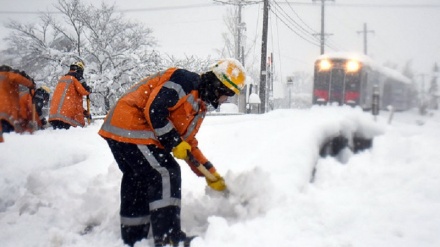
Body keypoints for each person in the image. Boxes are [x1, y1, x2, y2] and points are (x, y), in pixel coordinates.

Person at [98, 58, 246, 246]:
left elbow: (188, 144)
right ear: (218, 85)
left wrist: (209, 172)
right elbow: (155, 109)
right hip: (131, 124)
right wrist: (174, 141)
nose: (226, 99)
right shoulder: (184, 80)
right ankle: (169, 237)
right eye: (227, 94)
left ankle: (134, 237)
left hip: (122, 130)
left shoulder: (198, 106)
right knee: (166, 171)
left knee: (138, 179)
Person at [49, 61, 91, 129]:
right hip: (66, 119)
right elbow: (85, 90)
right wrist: (89, 89)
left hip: (54, 116)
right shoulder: (76, 78)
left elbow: (70, 102)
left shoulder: (63, 79)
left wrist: (85, 113)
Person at [0, 65, 36, 141]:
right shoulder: (9, 75)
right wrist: (31, 84)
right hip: (7, 112)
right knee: (8, 137)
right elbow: (22, 79)